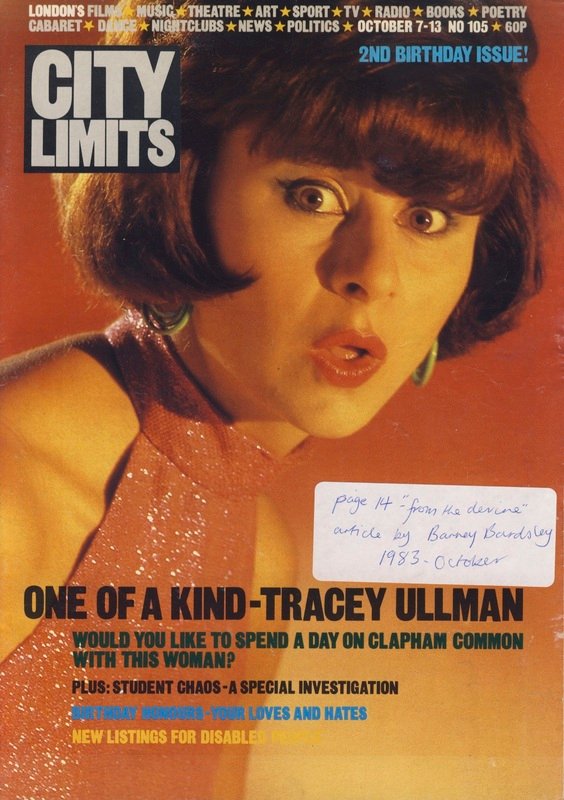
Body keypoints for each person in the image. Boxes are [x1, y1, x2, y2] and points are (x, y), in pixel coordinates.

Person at [0, 1, 550, 798]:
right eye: (312, 195)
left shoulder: (261, 554)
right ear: (183, 189)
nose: (373, 274)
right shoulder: (18, 481)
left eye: (427, 217)